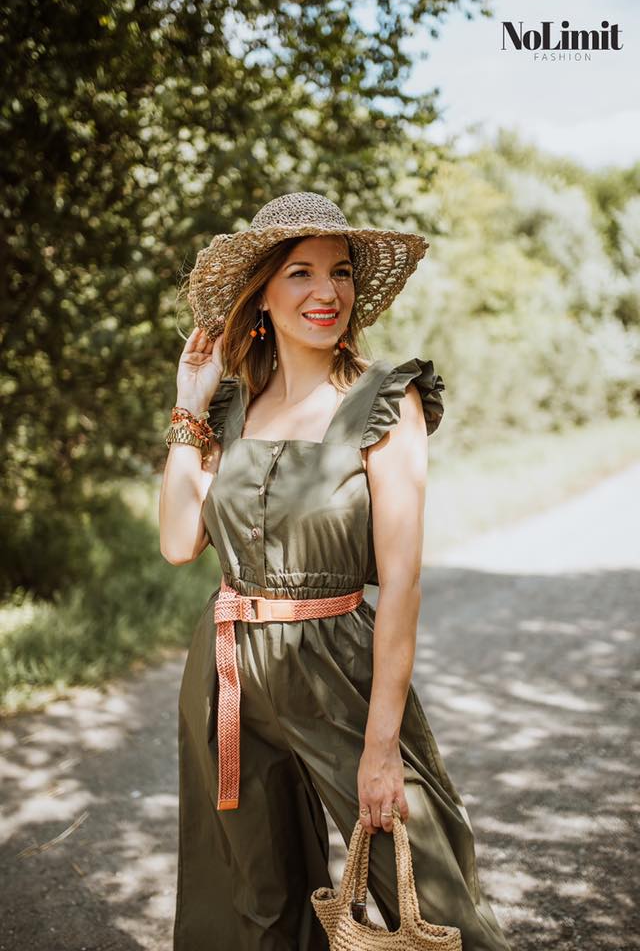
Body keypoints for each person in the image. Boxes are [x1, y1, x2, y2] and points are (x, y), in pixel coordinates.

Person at [159, 192, 512, 951]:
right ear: (261, 294)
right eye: (301, 272)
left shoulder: (385, 400)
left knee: (429, 893)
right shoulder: (228, 407)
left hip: (337, 669)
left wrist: (381, 747)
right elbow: (180, 542)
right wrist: (188, 407)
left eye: (341, 271)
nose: (327, 291)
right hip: (228, 674)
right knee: (254, 907)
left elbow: (403, 583)